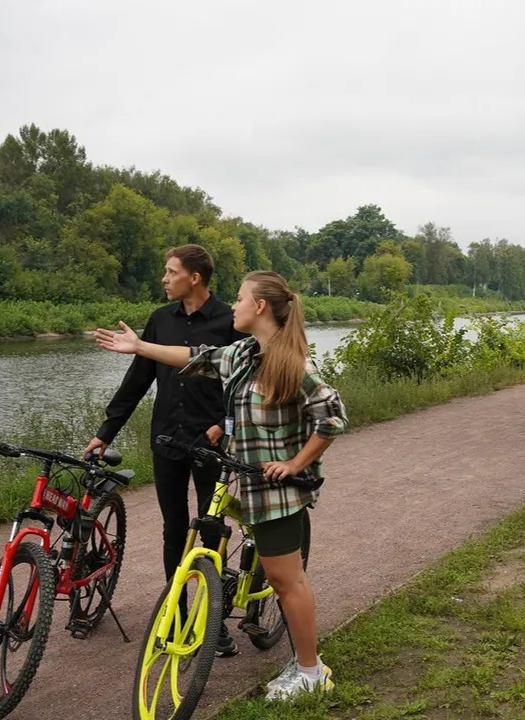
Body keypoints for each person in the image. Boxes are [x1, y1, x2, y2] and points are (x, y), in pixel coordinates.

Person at [93, 270, 347, 702]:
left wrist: (293, 462)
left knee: (288, 582)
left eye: (241, 298)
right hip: (239, 478)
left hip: (275, 491)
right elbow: (192, 355)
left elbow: (332, 418)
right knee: (238, 550)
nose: (234, 305)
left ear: (261, 307)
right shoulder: (243, 354)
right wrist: (139, 347)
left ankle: (310, 670)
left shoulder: (295, 364)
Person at [83, 244, 247, 658]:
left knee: (210, 532)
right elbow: (138, 379)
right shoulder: (159, 320)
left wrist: (224, 424)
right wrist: (106, 432)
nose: (164, 278)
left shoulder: (231, 321)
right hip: (168, 441)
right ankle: (176, 617)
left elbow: (245, 382)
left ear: (195, 277)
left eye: (171, 272)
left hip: (213, 445)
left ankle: (211, 625)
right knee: (174, 529)